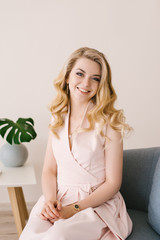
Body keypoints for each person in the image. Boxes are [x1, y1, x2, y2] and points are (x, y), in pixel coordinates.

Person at [19, 47, 133, 240]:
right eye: (80, 74)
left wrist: (74, 209)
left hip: (95, 204)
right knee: (30, 235)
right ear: (67, 77)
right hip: (58, 199)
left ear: (101, 85)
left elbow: (113, 183)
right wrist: (50, 201)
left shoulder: (109, 123)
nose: (86, 83)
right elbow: (49, 170)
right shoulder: (57, 117)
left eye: (95, 78)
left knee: (59, 235)